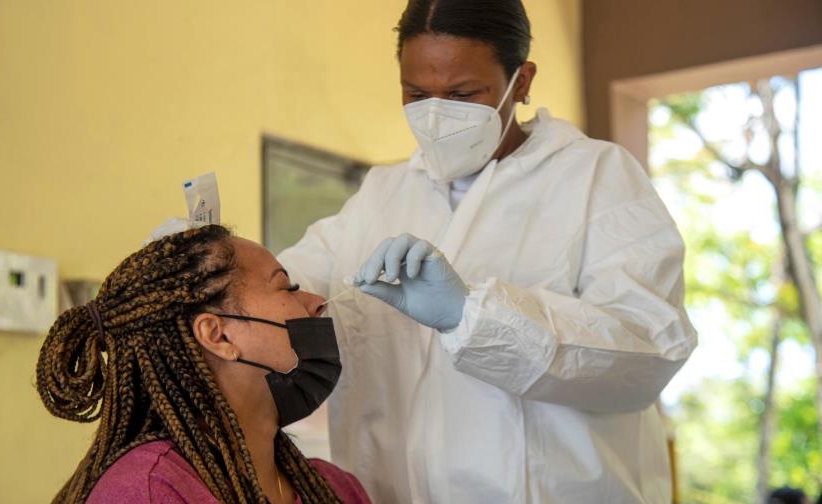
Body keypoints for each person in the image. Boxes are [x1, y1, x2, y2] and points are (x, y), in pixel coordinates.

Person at [276, 0, 698, 502]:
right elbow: (283, 284)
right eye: (416, 93)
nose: (435, 115)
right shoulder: (381, 194)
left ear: (521, 82)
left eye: (462, 94)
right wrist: (203, 257)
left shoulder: (595, 178)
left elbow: (648, 350)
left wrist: (474, 317)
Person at [36, 225, 371, 504]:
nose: (316, 302)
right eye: (287, 287)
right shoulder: (149, 491)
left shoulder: (336, 489)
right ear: (218, 336)